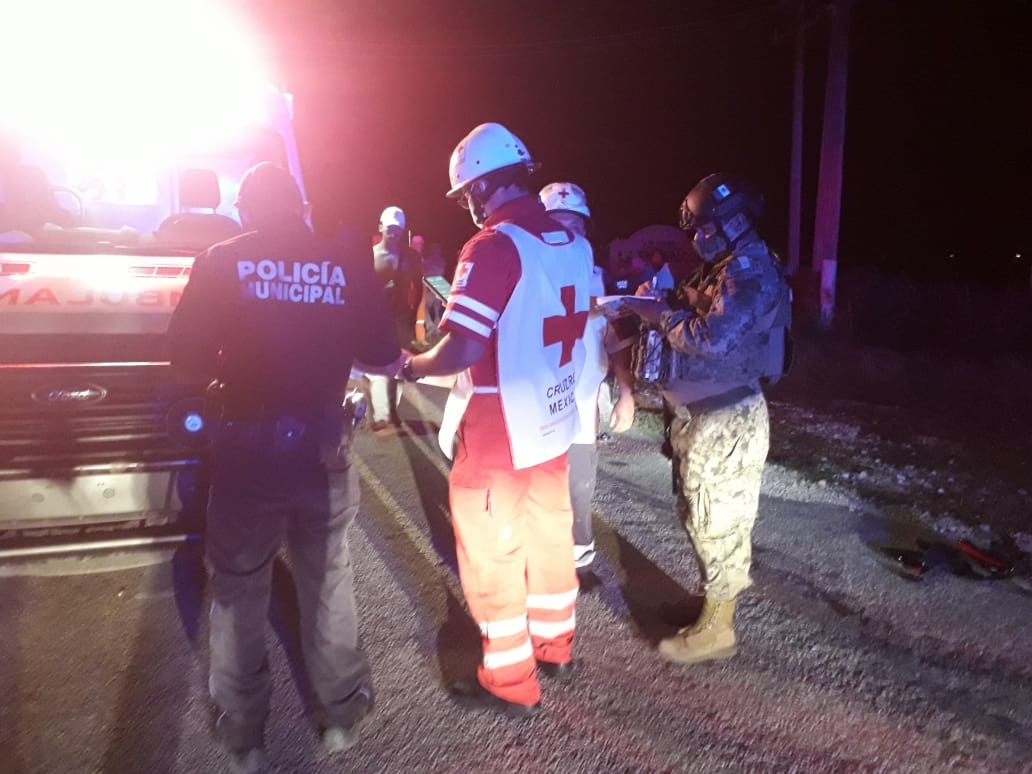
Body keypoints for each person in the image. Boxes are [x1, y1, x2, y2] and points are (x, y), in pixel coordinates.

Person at [167, 162, 402, 771]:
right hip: (323, 453)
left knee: (240, 589)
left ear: (247, 209)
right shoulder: (344, 261)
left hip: (247, 455)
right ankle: (341, 714)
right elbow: (381, 352)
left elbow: (184, 360)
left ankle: (245, 732)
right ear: (298, 207)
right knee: (327, 582)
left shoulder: (222, 260)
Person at [397, 122, 593, 716]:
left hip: (499, 430)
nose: (469, 209)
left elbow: (458, 348)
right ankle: (554, 646)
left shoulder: (491, 248)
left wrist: (409, 366)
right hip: (553, 422)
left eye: (468, 197)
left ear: (480, 189)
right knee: (550, 536)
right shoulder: (573, 243)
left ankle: (510, 679)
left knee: (493, 551)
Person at [620, 173, 791, 665]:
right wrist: (678, 301)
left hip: (726, 422)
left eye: (702, 226)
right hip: (703, 417)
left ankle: (718, 628)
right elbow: (713, 315)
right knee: (699, 515)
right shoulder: (732, 267)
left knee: (719, 521)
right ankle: (710, 604)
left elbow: (713, 338)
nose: (698, 237)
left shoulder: (752, 271)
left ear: (730, 222)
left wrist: (660, 316)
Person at [538, 181, 636, 569]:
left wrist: (626, 391)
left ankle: (578, 544)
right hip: (535, 407)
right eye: (557, 225)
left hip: (581, 404)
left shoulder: (602, 278)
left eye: (575, 226)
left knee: (578, 481)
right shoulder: (523, 273)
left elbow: (619, 339)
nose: (567, 235)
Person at [366, 205, 423, 432]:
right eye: (390, 227)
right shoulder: (370, 255)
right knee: (369, 365)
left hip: (400, 319)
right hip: (374, 320)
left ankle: (392, 410)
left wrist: (411, 315)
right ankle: (371, 409)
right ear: (380, 226)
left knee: (397, 366)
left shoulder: (411, 257)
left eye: (398, 229)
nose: (394, 232)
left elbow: (418, 287)